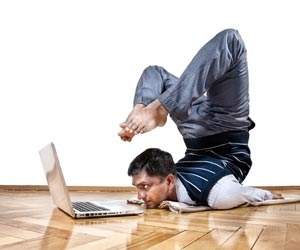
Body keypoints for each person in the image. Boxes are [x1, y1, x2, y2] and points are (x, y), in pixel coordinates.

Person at [118, 28, 283, 209]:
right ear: (170, 181)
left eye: (144, 187)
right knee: (231, 40)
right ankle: (162, 107)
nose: (141, 196)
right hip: (226, 124)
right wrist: (265, 195)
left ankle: (145, 108)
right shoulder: (217, 192)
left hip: (194, 132)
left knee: (154, 72)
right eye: (141, 187)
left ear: (169, 180)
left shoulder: (171, 179)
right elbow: (246, 194)